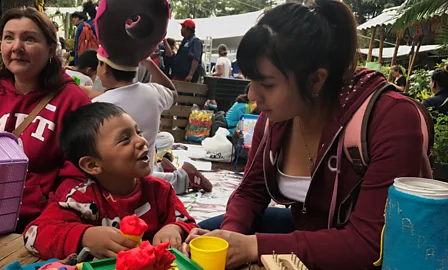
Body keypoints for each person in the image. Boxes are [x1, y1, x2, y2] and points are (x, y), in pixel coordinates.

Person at [183, 1, 430, 269]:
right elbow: (250, 192)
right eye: (250, 81)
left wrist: (253, 246)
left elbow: (369, 244)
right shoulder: (276, 119)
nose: (252, 96)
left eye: (266, 84)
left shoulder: (388, 119)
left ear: (315, 80)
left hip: (373, 257)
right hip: (309, 237)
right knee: (206, 230)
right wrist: (228, 239)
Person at [23, 102, 198, 260]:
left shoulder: (160, 191)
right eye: (125, 139)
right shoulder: (81, 199)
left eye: (138, 132)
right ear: (92, 164)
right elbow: (34, 234)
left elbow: (191, 226)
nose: (141, 141)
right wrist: (86, 236)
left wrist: (176, 229)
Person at [0, 7, 91, 232]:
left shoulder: (72, 100)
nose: (16, 47)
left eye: (29, 39)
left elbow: (79, 170)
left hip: (34, 225)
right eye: (8, 37)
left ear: (50, 48)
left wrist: (50, 216)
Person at [93, 54, 213, 194]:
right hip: (145, 165)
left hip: (126, 178)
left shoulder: (98, 106)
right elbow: (173, 93)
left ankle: (183, 178)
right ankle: (162, 170)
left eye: (99, 64)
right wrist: (150, 64)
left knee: (141, 186)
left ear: (105, 68)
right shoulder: (152, 92)